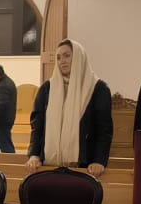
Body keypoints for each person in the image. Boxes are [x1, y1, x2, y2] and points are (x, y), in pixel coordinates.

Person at [25, 39, 113, 178]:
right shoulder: (47, 88)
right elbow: (37, 127)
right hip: (49, 166)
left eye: (67, 56)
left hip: (83, 167)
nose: (62, 61)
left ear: (79, 58)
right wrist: (34, 155)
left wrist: (99, 160)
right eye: (58, 57)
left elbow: (104, 130)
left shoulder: (97, 89)